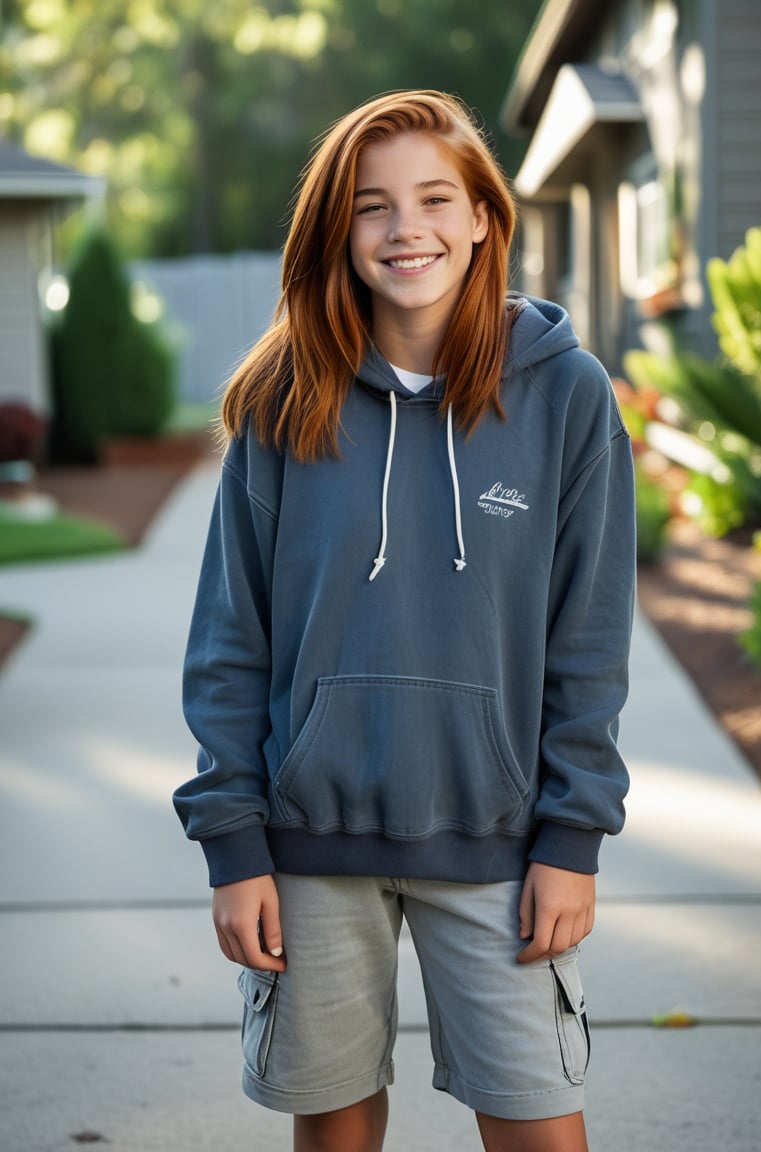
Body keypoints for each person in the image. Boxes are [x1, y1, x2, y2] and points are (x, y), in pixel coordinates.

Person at [173, 89, 635, 1152]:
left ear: (484, 217)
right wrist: (234, 844)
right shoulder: (285, 398)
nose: (405, 228)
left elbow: (589, 647)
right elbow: (230, 639)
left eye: (434, 198)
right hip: (308, 845)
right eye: (372, 205)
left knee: (537, 1123)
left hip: (504, 845)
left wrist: (574, 836)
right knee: (334, 1130)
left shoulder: (568, 397)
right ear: (340, 228)